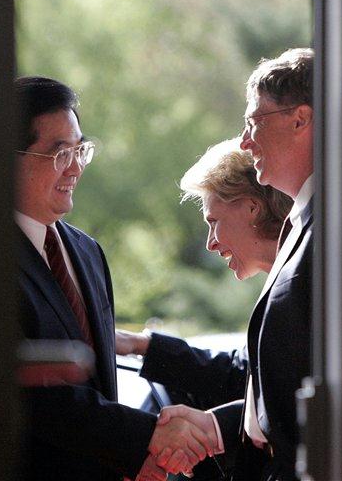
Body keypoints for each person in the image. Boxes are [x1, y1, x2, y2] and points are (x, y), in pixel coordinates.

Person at [14, 76, 214, 481]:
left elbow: (100, 383)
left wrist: (128, 458)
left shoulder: (88, 252)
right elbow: (32, 398)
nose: (75, 168)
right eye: (60, 153)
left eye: (80, 150)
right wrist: (141, 440)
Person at [154, 48, 314, 481]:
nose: (244, 141)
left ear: (300, 119)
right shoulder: (306, 220)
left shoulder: (335, 228)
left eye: (254, 122)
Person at [117, 138, 292, 477]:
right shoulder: (282, 279)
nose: (211, 242)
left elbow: (281, 399)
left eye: (213, 221)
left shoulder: (298, 280)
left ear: (252, 208)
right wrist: (142, 345)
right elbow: (243, 372)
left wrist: (210, 427)